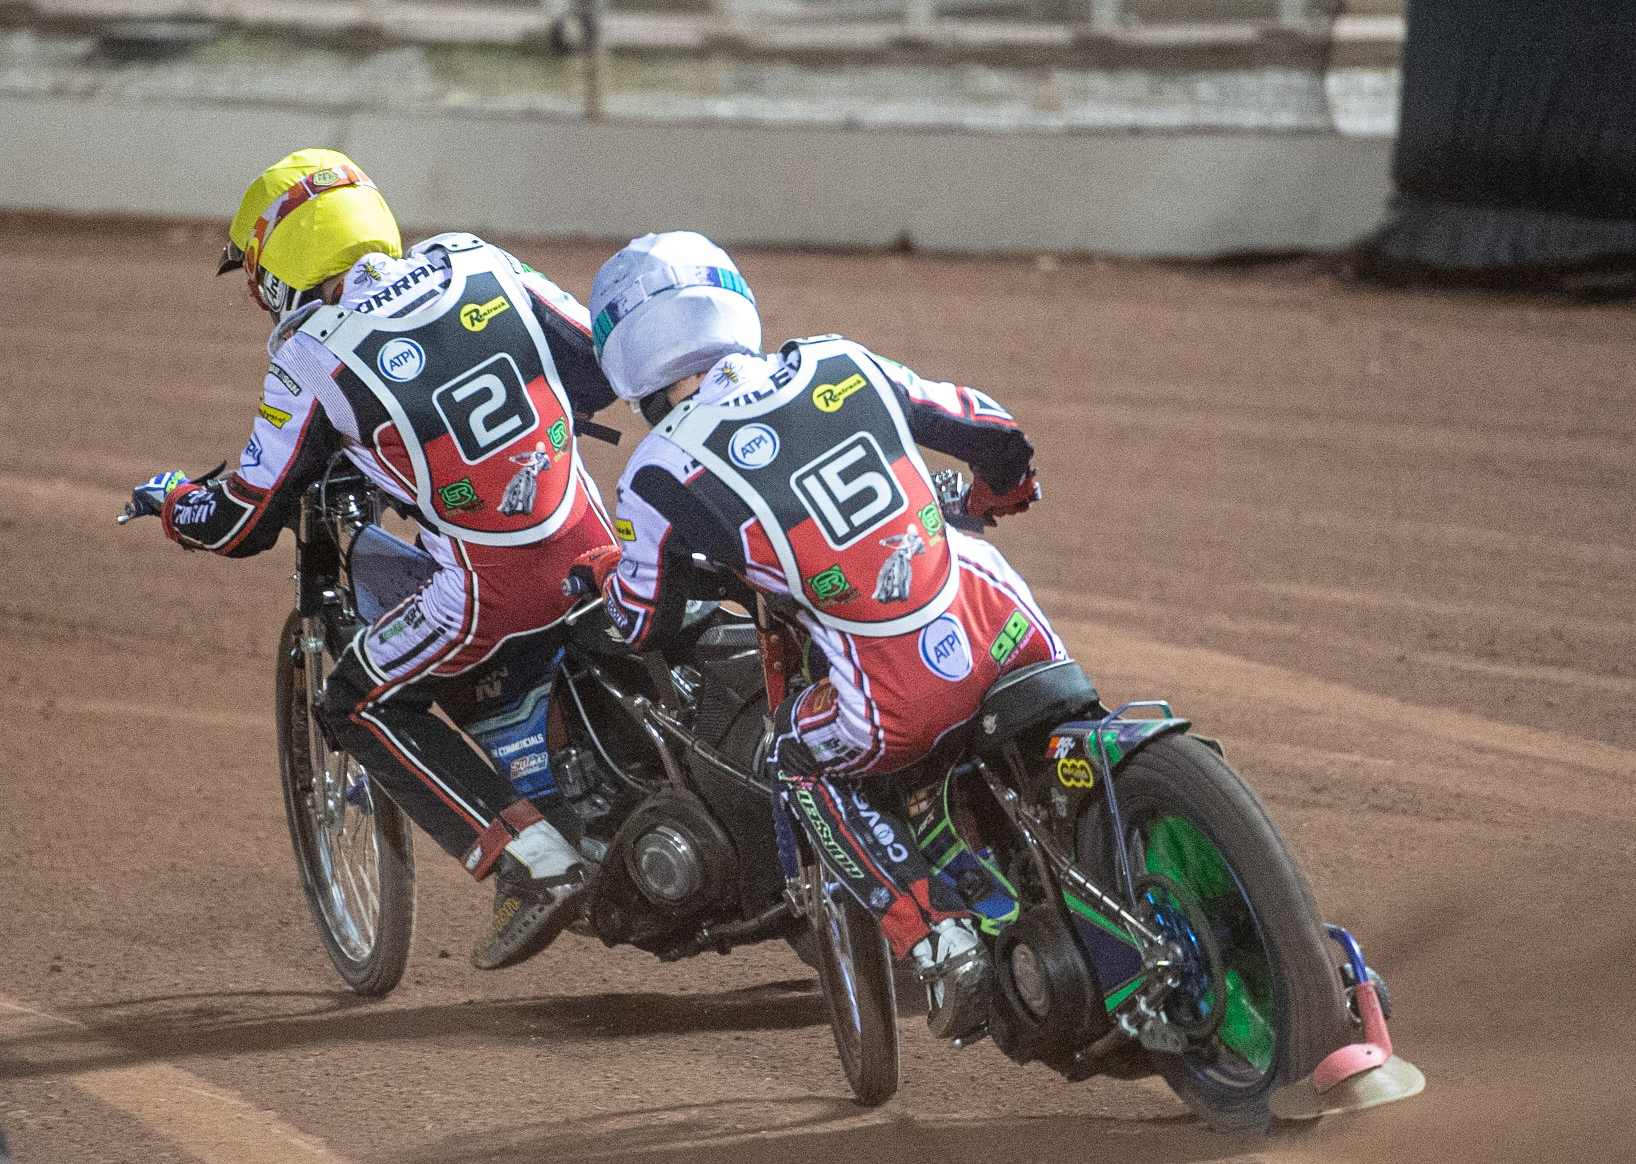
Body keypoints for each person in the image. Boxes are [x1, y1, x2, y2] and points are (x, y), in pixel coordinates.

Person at [127, 149, 618, 969]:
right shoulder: (478, 258)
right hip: (599, 549)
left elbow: (244, 518)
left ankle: (531, 862)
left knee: (352, 701)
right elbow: (605, 363)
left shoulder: (310, 352)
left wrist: (174, 500)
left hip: (490, 592)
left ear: (276, 268)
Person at [579, 231, 1065, 1034]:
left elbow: (642, 621)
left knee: (794, 757)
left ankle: (935, 937)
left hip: (899, 691)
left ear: (626, 358)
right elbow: (988, 428)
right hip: (1003, 614)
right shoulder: (840, 361)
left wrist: (601, 574)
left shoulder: (658, 470)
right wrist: (999, 491)